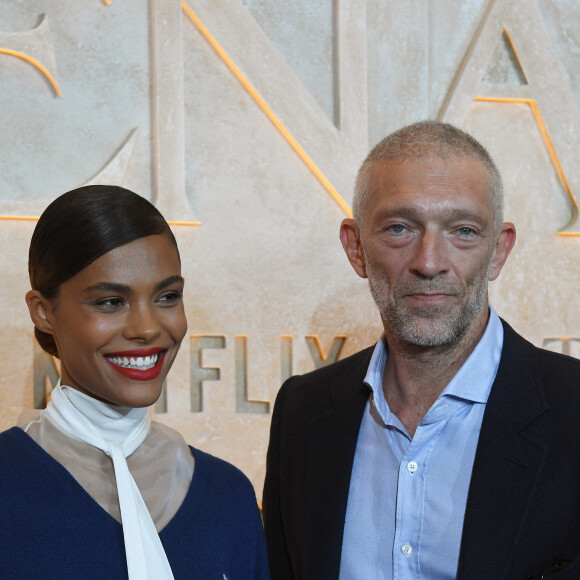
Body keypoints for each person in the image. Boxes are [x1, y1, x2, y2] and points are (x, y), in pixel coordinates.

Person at [262, 121, 580, 580]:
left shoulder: (573, 410)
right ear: (355, 248)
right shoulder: (303, 412)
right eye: (399, 228)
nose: (429, 262)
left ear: (499, 251)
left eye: (464, 231)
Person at [0, 185, 269, 580]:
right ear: (43, 312)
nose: (147, 328)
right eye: (111, 302)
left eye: (167, 296)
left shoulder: (227, 494)